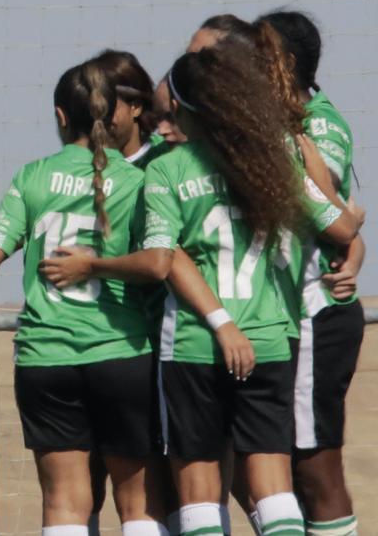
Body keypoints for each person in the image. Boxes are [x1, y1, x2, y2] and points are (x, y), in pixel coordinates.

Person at [43, 44, 358, 536]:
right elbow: (342, 229)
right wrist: (313, 169)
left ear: (186, 107)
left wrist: (218, 321)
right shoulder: (272, 162)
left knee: (198, 493)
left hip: (193, 343)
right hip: (270, 337)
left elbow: (165, 260)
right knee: (274, 489)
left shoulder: (170, 169)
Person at [0, 58, 170, 536]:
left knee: (65, 505)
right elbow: (158, 263)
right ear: (112, 114)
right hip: (123, 353)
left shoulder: (32, 177)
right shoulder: (138, 181)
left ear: (61, 116)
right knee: (139, 506)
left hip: (45, 361)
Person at [261, 10, 366, 536]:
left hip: (314, 311)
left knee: (313, 463)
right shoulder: (274, 122)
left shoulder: (318, 123)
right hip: (281, 314)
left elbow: (327, 210)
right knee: (274, 460)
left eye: (259, 54)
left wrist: (352, 233)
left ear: (286, 64)